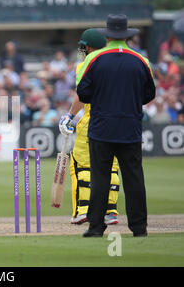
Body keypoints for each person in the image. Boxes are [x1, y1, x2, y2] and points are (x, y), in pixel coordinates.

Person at [76, 14, 156, 237]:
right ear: (127, 36)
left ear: (107, 35)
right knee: (134, 179)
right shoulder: (141, 61)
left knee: (100, 177)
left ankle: (95, 227)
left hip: (101, 127)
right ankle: (139, 228)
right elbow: (149, 94)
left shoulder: (93, 60)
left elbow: (83, 93)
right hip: (130, 128)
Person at [59, 29, 120, 226]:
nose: (82, 50)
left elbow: (82, 94)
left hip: (93, 120)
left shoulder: (87, 63)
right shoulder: (122, 62)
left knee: (82, 165)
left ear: (91, 47)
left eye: (84, 47)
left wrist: (70, 115)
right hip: (119, 122)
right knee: (111, 166)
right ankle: (110, 212)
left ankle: (83, 210)